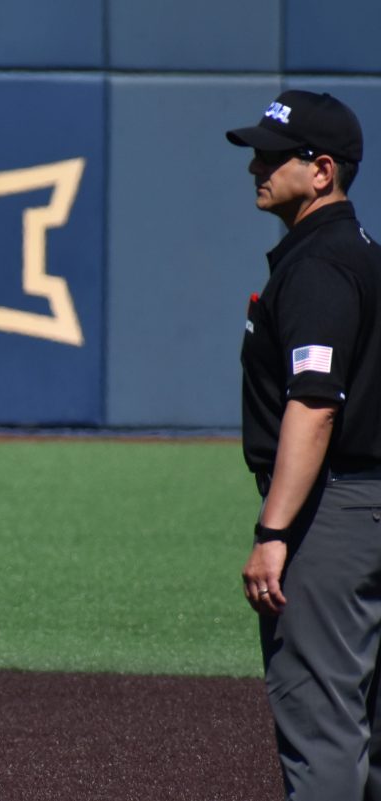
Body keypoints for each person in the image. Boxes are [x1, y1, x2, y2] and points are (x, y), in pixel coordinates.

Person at [229, 90, 381, 800]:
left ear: (322, 171)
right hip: (368, 505)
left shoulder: (319, 264)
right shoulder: (361, 255)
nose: (256, 165)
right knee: (368, 733)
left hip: (337, 513)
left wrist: (275, 530)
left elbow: (314, 405)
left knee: (321, 726)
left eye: (271, 154)